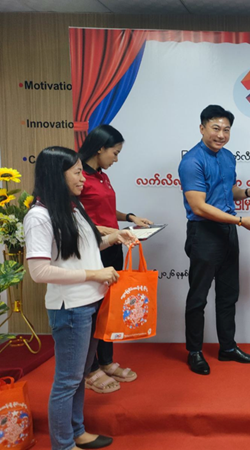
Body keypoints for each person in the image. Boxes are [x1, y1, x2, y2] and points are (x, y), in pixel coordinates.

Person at [24, 146, 137, 450]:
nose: (83, 179)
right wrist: (94, 274)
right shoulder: (39, 216)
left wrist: (114, 237)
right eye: (76, 172)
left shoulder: (71, 207)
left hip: (90, 302)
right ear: (56, 175)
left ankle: (77, 432)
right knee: (67, 381)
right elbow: (39, 271)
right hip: (70, 307)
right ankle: (63, 444)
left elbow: (84, 248)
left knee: (79, 376)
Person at [178, 104, 250, 375]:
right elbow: (199, 206)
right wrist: (239, 220)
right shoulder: (191, 161)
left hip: (228, 232)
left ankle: (227, 347)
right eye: (215, 128)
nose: (221, 135)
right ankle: (194, 351)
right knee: (198, 297)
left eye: (226, 130)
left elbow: (228, 191)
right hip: (204, 232)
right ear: (202, 128)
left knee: (229, 294)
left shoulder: (228, 156)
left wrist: (249, 192)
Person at [78, 125, 153, 394]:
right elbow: (78, 219)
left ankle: (106, 361)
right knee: (93, 309)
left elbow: (106, 209)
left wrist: (130, 218)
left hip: (112, 246)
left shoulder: (102, 175)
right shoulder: (78, 176)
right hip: (92, 249)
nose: (116, 159)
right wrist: (112, 232)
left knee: (110, 306)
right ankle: (90, 368)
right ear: (100, 148)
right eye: (115, 152)